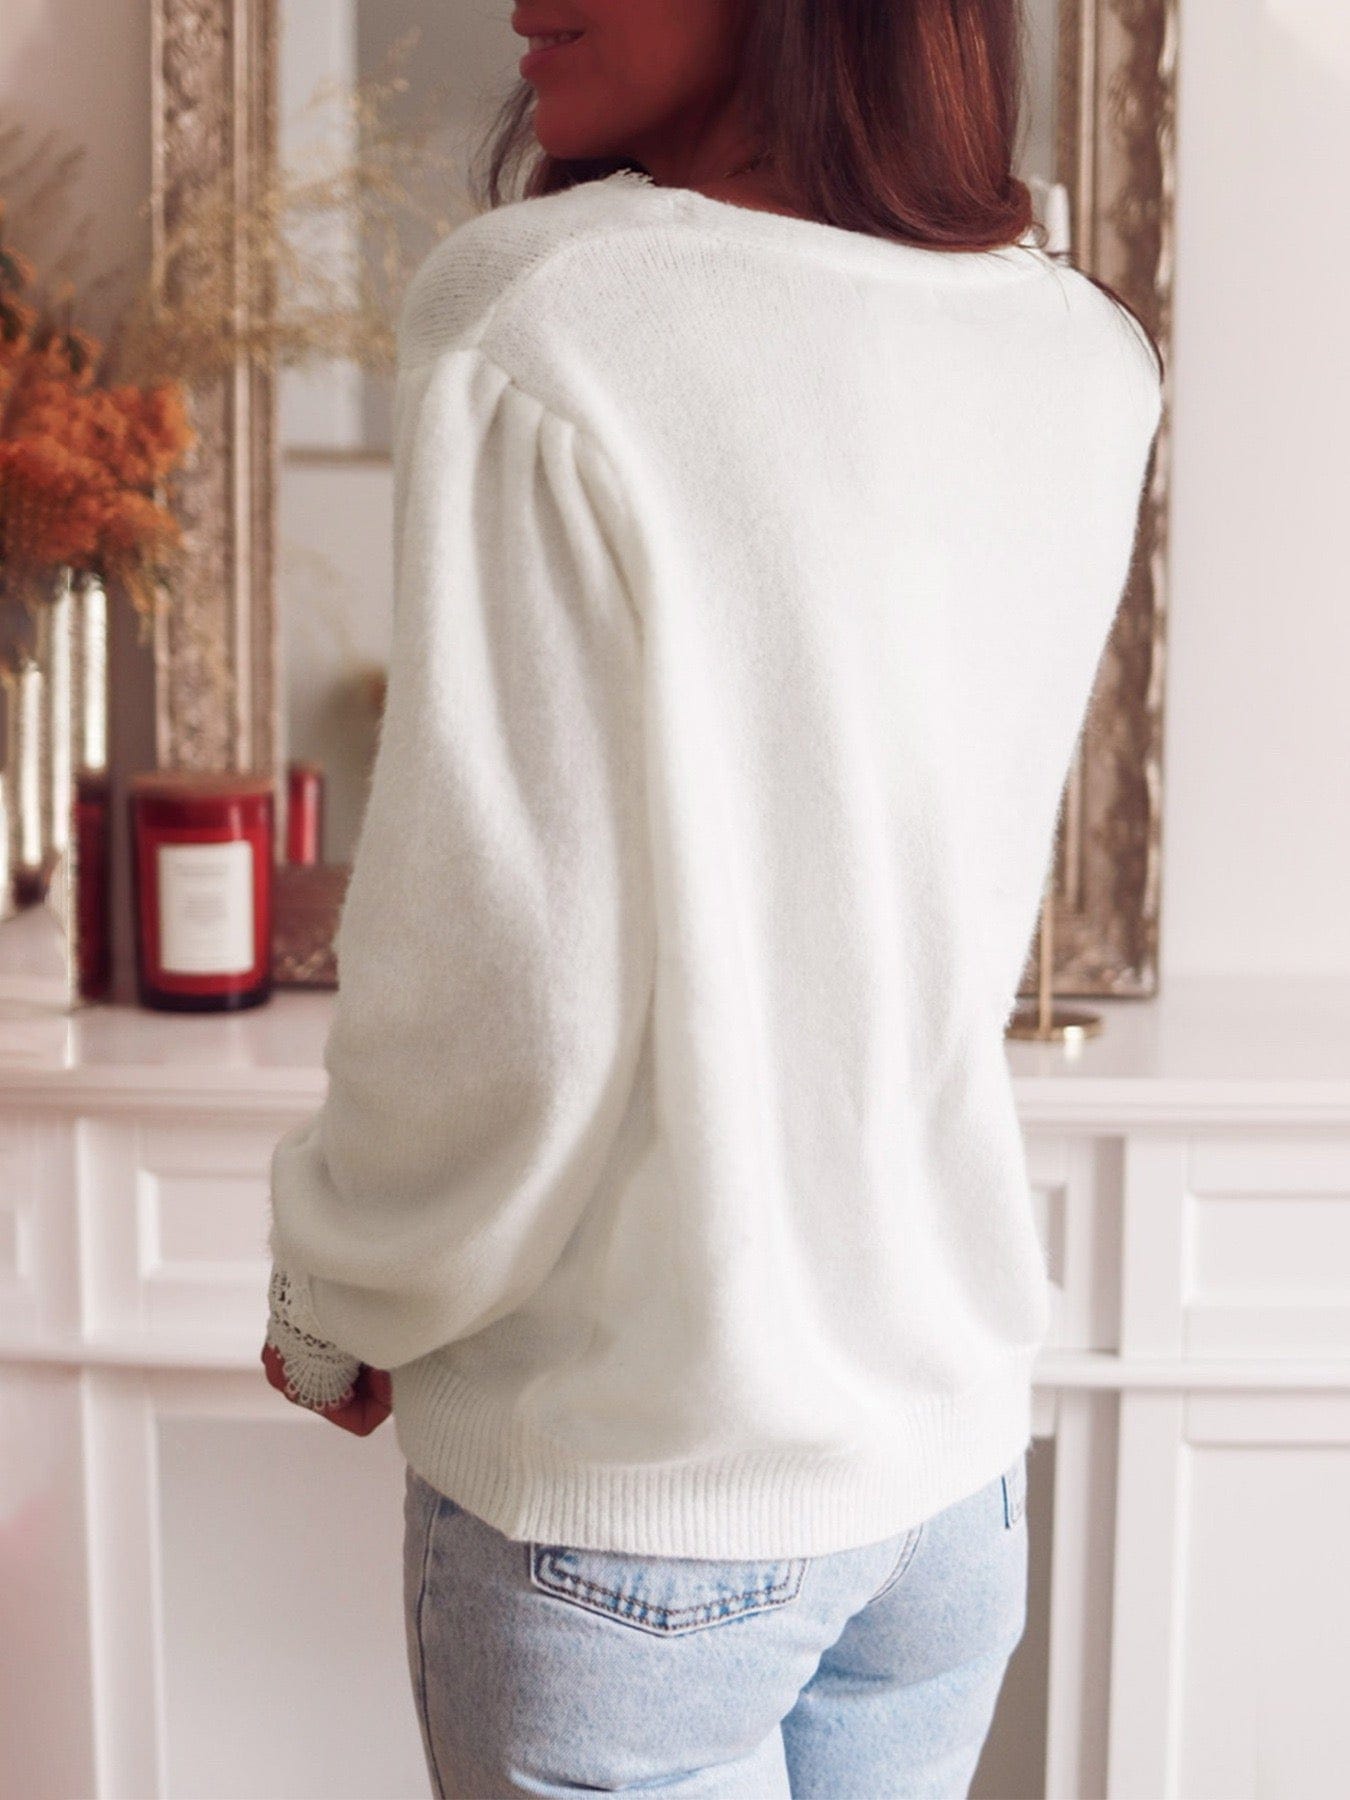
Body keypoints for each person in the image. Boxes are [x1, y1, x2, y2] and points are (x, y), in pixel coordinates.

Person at [261, 1, 1164, 1793]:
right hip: (946, 1481)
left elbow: (503, 989)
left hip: (642, 1487)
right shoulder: (1082, 350)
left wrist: (341, 1295)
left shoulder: (549, 319)